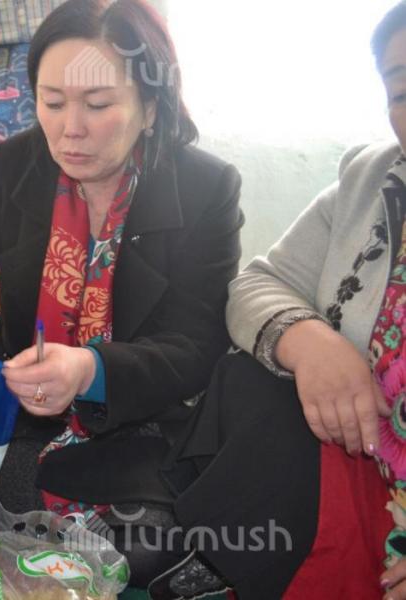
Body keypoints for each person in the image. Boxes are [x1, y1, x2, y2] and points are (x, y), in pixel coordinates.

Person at [0, 0, 243, 590]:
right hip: (19, 413)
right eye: (52, 101)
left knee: (140, 546)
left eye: (97, 105)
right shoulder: (17, 166)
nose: (71, 128)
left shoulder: (204, 188)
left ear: (150, 108)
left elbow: (197, 345)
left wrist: (90, 369)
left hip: (138, 425)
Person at [167, 3, 406, 598]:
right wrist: (310, 340)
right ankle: (224, 554)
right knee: (248, 377)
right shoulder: (370, 177)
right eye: (402, 91)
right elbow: (257, 284)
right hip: (360, 467)